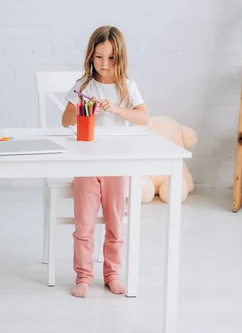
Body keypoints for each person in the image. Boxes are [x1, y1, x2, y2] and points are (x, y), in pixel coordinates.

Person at [61, 26, 150, 298]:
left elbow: (144, 118)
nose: (104, 64)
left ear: (120, 58)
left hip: (117, 165)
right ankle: (84, 276)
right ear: (90, 56)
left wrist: (118, 109)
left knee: (115, 224)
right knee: (84, 225)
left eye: (110, 58)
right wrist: (85, 108)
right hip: (87, 164)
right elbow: (65, 121)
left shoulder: (128, 87)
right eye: (98, 57)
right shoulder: (84, 86)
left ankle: (112, 274)